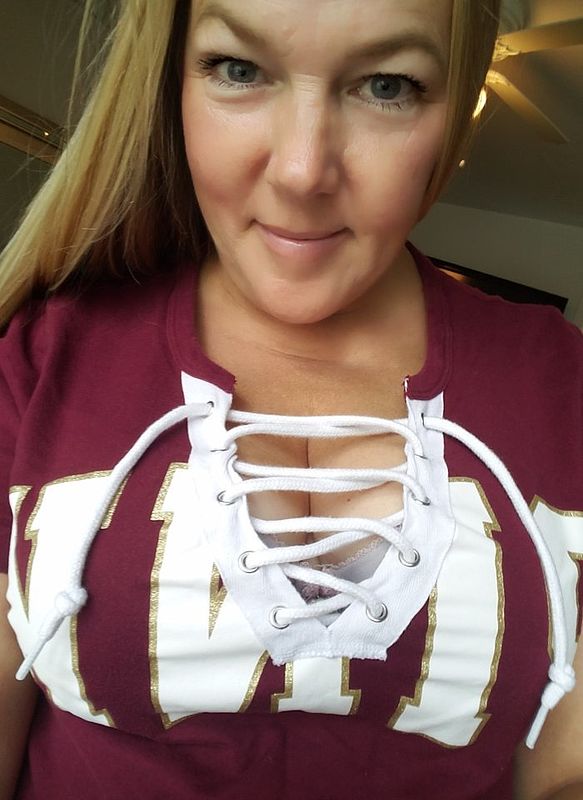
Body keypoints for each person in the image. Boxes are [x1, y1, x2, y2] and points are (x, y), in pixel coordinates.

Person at [0, 0, 582, 797]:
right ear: (170, 86)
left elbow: (563, 773)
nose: (302, 172)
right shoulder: (39, 359)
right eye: (238, 70)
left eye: (386, 85)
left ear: (455, 110)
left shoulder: (563, 381)